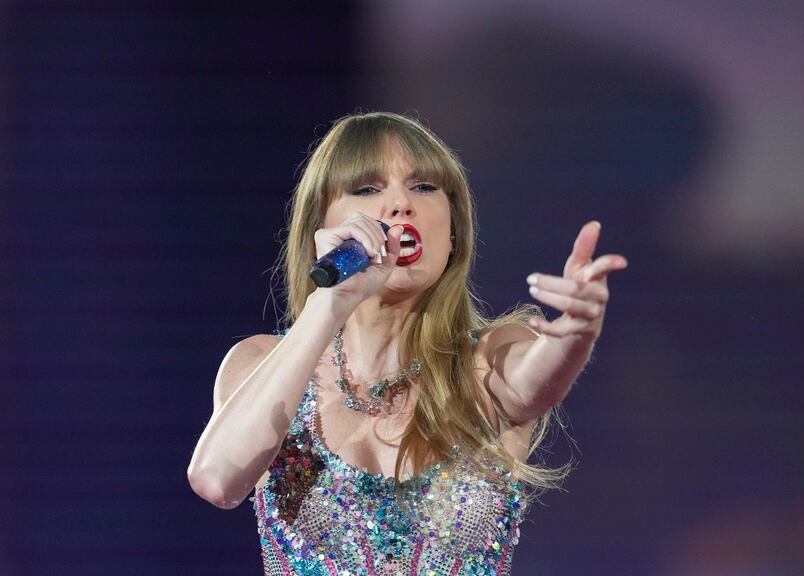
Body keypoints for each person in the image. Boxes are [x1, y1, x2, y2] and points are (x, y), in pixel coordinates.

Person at [187, 111, 627, 575]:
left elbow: (539, 372)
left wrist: (577, 331)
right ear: (322, 228)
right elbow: (217, 481)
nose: (400, 205)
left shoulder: (487, 360)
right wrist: (328, 303)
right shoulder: (261, 362)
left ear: (453, 233)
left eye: (423, 187)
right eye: (367, 189)